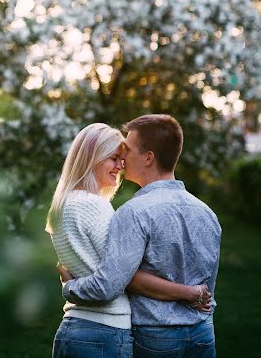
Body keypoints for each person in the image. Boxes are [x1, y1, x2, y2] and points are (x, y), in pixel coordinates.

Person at [61, 115, 221, 358]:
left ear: (148, 158)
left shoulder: (134, 213)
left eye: (128, 150)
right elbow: (207, 286)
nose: (122, 158)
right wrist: (193, 295)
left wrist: (70, 286)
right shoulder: (208, 214)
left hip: (155, 335)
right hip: (203, 333)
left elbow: (120, 279)